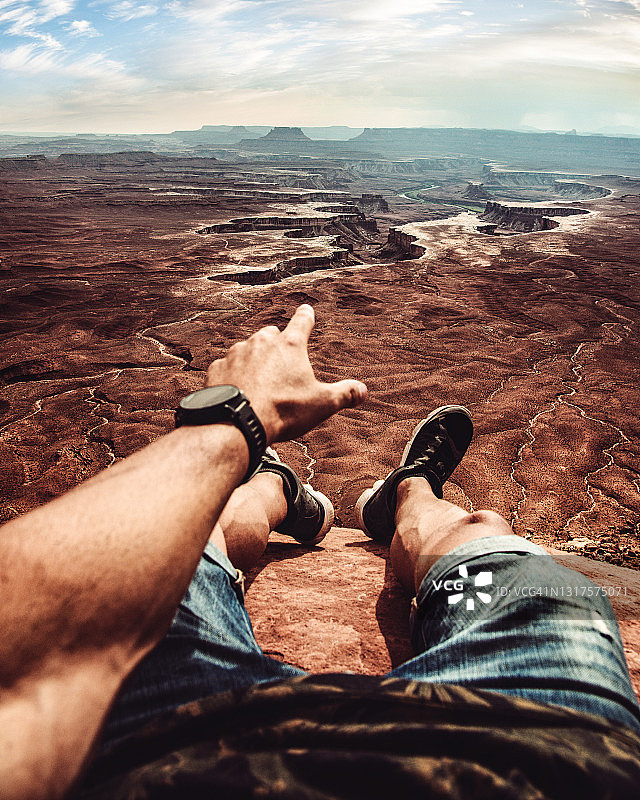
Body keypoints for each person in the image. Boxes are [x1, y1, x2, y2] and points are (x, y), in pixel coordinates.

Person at [1, 305, 639, 800]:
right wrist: (234, 418)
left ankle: (275, 487)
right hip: (536, 750)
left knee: (189, 542)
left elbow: (24, 645)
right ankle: (409, 494)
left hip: (171, 739)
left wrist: (230, 426)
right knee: (490, 537)